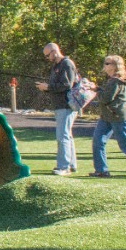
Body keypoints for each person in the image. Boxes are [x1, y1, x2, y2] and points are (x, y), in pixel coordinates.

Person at [90, 55, 126, 180]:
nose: (104, 65)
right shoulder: (112, 80)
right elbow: (107, 94)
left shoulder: (116, 81)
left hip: (118, 116)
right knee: (98, 141)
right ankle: (101, 170)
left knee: (125, 144)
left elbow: (106, 98)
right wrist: (97, 89)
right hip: (107, 116)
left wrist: (96, 91)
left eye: (107, 63)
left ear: (114, 66)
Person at [36, 43, 80, 175]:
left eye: (48, 55)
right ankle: (71, 164)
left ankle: (64, 167)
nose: (47, 58)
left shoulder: (66, 64)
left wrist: (48, 87)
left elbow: (67, 85)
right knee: (67, 135)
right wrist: (46, 87)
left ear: (55, 51)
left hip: (66, 105)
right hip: (59, 105)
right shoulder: (57, 66)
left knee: (63, 136)